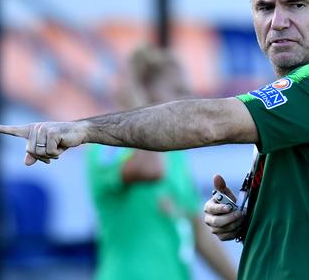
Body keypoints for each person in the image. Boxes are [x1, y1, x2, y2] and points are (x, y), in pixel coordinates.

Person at [0, 0, 309, 280]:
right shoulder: (297, 97)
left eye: (297, 5)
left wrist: (81, 129)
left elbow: (206, 123)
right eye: (265, 7)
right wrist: (246, 219)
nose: (279, 21)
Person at [86, 45, 236, 280]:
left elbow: (198, 231)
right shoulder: (107, 147)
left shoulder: (174, 154)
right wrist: (140, 110)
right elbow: (151, 169)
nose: (187, 100)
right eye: (177, 90)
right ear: (143, 91)